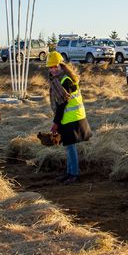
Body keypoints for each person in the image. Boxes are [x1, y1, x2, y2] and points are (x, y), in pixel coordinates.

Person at [47, 51, 92, 184]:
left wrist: (56, 123)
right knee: (68, 146)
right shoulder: (61, 79)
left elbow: (61, 105)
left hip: (71, 118)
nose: (53, 69)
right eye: (50, 67)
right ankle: (69, 172)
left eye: (55, 66)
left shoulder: (65, 81)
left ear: (61, 65)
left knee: (70, 147)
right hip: (69, 117)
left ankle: (74, 174)